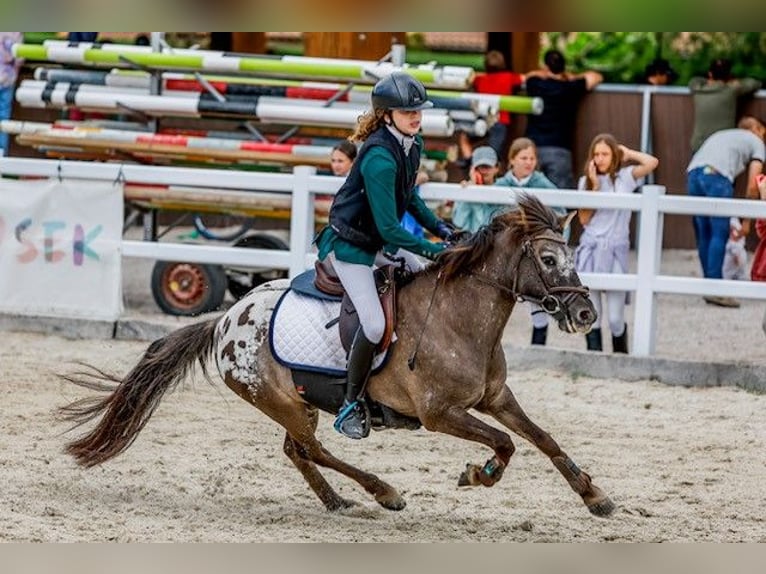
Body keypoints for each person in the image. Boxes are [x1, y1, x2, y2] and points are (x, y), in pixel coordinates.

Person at [314, 72, 456, 440]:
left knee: (424, 280)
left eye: (418, 111)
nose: (416, 117)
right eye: (407, 112)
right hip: (352, 250)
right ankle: (350, 401)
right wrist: (436, 249)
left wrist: (443, 229)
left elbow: (410, 198)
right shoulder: (379, 157)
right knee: (375, 325)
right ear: (387, 115)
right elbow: (391, 228)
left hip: (378, 245)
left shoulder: (412, 144)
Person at [575, 134, 659, 354]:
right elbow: (583, 219)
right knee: (593, 315)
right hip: (591, 250)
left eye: (605, 154)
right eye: (596, 154)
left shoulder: (624, 178)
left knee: (615, 318)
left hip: (615, 250)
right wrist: (593, 187)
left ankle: (620, 358)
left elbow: (652, 162)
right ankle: (594, 360)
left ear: (614, 156)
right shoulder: (585, 181)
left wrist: (628, 153)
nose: (600, 158)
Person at [687, 116, 766, 307]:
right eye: (763, 132)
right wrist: (747, 222)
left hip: (692, 174)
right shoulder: (756, 142)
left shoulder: (722, 135)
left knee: (704, 232)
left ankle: (709, 285)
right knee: (719, 232)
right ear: (755, 128)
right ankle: (717, 290)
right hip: (716, 177)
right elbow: (753, 185)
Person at [494, 137, 565, 346]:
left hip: (531, 252)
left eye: (532, 158)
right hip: (506, 251)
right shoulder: (500, 185)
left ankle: (538, 346)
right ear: (512, 160)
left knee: (538, 299)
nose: (528, 162)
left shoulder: (543, 185)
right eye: (523, 157)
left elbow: (560, 213)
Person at [523, 49, 603, 190]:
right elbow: (596, 77)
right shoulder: (571, 87)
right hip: (560, 149)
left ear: (545, 67)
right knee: (560, 199)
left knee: (531, 198)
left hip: (533, 149)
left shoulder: (535, 83)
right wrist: (572, 77)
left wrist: (544, 73)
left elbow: (527, 76)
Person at [689, 58, 761, 154]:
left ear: (710, 74)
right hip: (722, 146)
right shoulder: (731, 89)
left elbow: (694, 80)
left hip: (699, 145)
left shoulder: (698, 89)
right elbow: (755, 83)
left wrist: (709, 81)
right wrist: (735, 82)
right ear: (729, 75)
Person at [471, 50, 525, 158]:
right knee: (494, 153)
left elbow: (470, 79)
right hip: (500, 119)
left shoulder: (479, 79)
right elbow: (525, 78)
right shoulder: (509, 77)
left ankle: (469, 160)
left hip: (482, 117)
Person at [451, 145, 503, 233]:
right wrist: (470, 191)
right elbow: (458, 223)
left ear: (496, 168)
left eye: (487, 167)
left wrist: (475, 195)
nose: (484, 171)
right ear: (473, 169)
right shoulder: (466, 187)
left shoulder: (502, 189)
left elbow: (485, 227)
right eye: (480, 167)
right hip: (469, 242)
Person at [0, 32, 22, 157]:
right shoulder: (14, 33)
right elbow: (19, 57)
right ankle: (2, 154)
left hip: (6, 75)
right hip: (7, 76)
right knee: (4, 118)